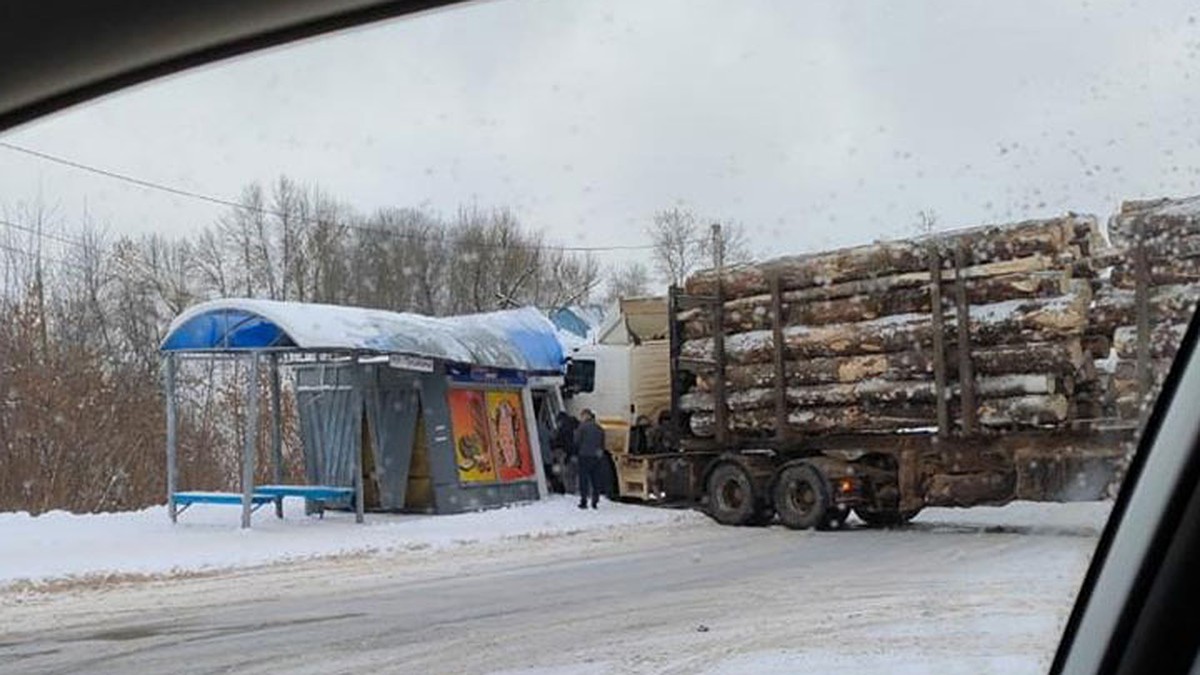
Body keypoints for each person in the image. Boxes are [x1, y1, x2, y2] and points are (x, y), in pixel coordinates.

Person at [573, 408, 606, 509]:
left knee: (584, 479)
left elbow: (577, 441)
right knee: (596, 479)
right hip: (596, 456)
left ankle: (584, 501)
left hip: (584, 456)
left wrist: (575, 453)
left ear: (586, 416)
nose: (581, 418)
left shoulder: (582, 427)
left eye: (582, 416)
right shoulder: (599, 428)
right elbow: (602, 443)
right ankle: (595, 501)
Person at [552, 411, 578, 494]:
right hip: (581, 453)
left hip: (570, 455)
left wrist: (568, 456)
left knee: (568, 475)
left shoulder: (564, 429)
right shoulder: (576, 425)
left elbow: (566, 443)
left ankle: (571, 493)